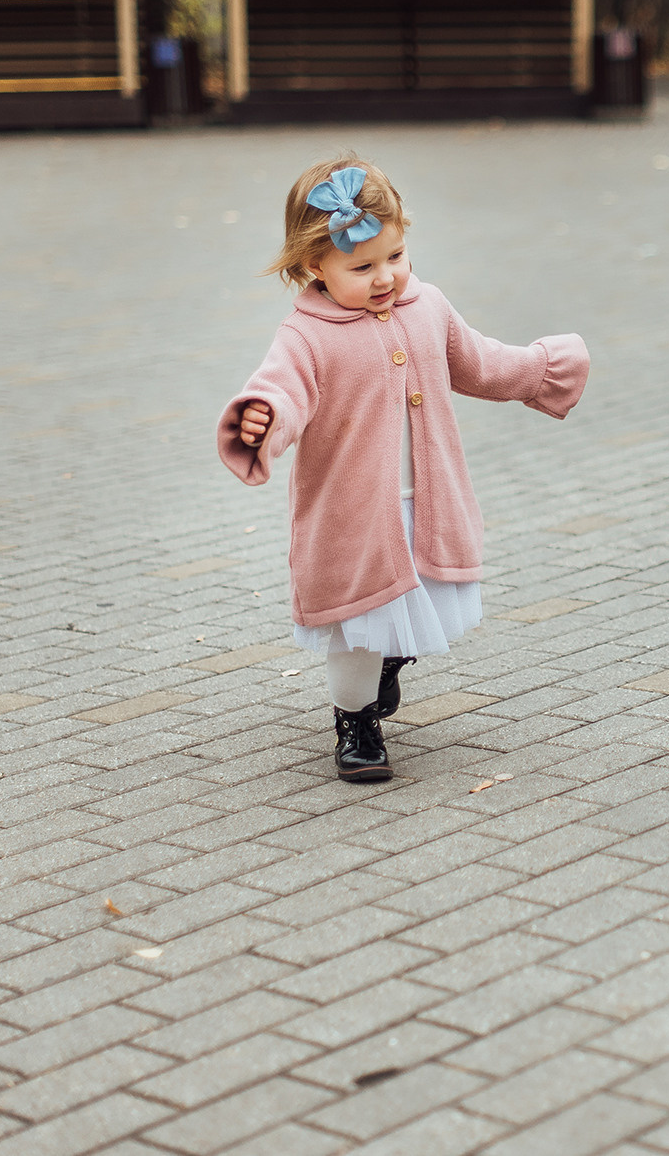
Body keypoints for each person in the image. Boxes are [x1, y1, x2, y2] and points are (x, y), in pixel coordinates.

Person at [218, 156, 589, 782]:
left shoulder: (428, 307)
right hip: (356, 513)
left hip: (426, 499)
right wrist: (262, 417)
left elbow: (479, 363)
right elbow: (282, 390)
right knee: (358, 625)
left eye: (395, 256)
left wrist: (540, 368)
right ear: (316, 268)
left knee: (417, 604)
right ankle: (355, 723)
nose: (385, 277)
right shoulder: (307, 336)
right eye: (361, 268)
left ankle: (389, 664)